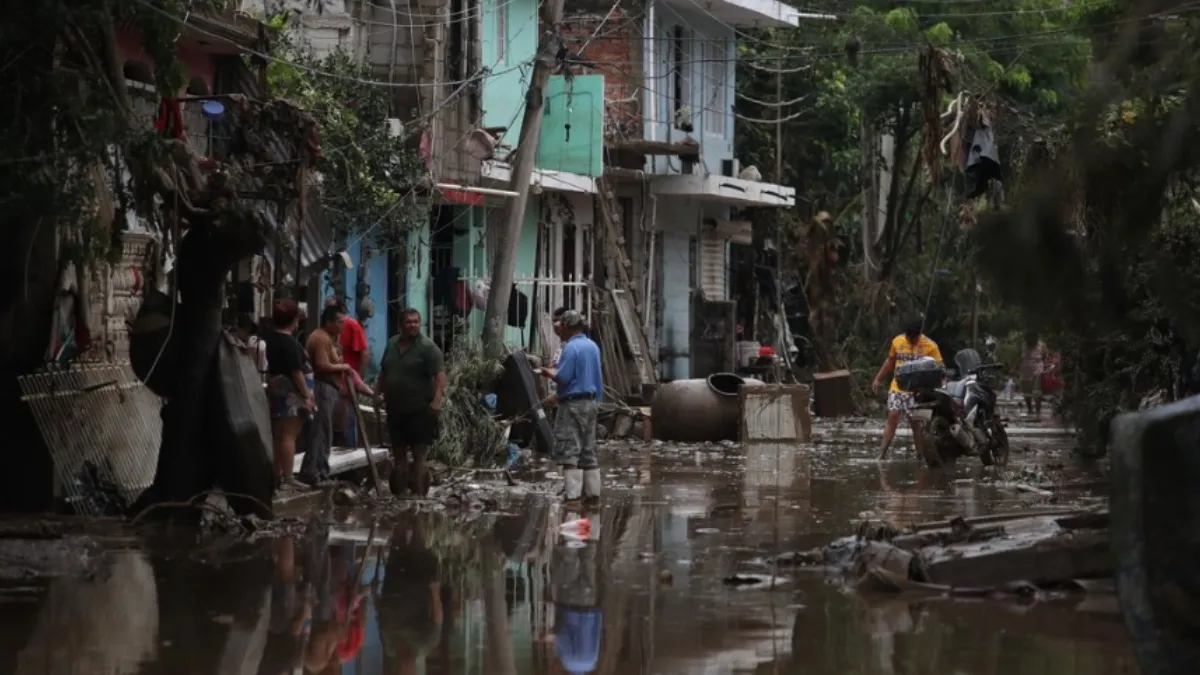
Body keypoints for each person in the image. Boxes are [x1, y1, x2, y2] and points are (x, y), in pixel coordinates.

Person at [377, 308, 446, 497]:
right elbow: (384, 373)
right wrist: (378, 394)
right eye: (409, 322)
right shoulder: (391, 344)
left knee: (419, 455)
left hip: (420, 410)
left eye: (416, 322)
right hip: (395, 410)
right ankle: (400, 496)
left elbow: (440, 376)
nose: (413, 325)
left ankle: (419, 496)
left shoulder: (428, 348)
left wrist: (437, 400)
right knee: (398, 455)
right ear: (401, 325)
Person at [538, 309, 603, 506]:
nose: (559, 332)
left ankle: (573, 497)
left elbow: (564, 378)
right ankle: (593, 495)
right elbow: (595, 379)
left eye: (561, 328)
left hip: (572, 405)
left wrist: (547, 372)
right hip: (590, 402)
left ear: (566, 327)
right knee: (588, 450)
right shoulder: (592, 346)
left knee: (569, 451)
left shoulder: (571, 348)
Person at [871, 316, 944, 460]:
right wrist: (877, 379)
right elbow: (890, 361)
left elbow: (940, 368)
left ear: (919, 333)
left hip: (917, 392)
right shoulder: (897, 341)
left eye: (913, 336)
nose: (910, 339)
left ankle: (920, 455)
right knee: (892, 417)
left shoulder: (930, 346)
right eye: (908, 336)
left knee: (916, 423)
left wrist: (940, 385)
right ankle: (882, 454)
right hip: (898, 387)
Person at [378, 517, 444, 675]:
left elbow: (382, 622)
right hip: (417, 581)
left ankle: (401, 506)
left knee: (397, 538)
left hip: (394, 580)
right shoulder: (425, 644)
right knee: (417, 540)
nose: (405, 667)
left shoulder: (389, 647)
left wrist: (377, 600)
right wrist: (435, 592)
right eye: (409, 672)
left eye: (402, 671)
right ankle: (416, 509)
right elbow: (437, 618)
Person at [264, 299, 314, 489]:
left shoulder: (272, 339)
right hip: (291, 392)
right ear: (294, 320)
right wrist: (307, 396)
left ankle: (278, 475)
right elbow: (296, 372)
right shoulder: (288, 343)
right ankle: (287, 477)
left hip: (278, 389)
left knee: (280, 434)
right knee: (288, 435)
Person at [301, 305, 353, 486]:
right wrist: (344, 367)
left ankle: (318, 471)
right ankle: (315, 473)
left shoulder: (328, 338)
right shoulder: (320, 338)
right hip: (322, 387)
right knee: (320, 432)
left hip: (329, 389)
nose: (342, 326)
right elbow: (322, 365)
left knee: (324, 431)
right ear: (329, 322)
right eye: (339, 322)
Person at [327, 296, 370, 447]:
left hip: (348, 381)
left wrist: (358, 377)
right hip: (333, 382)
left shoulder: (351, 325)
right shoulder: (328, 330)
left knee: (348, 421)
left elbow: (364, 353)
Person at [1019, 331, 1049, 420]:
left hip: (1037, 372)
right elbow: (1020, 357)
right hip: (1025, 373)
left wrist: (1045, 368)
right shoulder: (1023, 345)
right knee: (1026, 393)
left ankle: (1038, 413)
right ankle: (1030, 409)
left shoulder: (1041, 345)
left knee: (1037, 393)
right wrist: (1015, 368)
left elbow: (1045, 357)